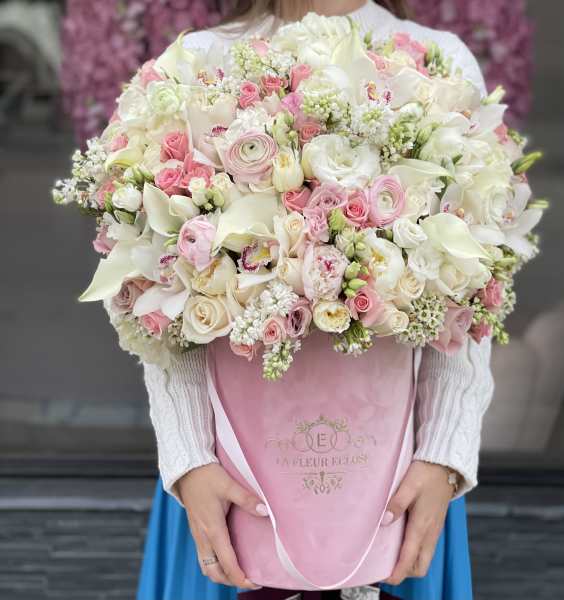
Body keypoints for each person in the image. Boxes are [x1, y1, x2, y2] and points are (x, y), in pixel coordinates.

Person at [136, 1, 495, 598]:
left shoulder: (440, 63)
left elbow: (471, 291)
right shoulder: (195, 60)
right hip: (222, 478)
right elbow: (161, 290)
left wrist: (444, 454)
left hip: (399, 477)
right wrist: (188, 460)